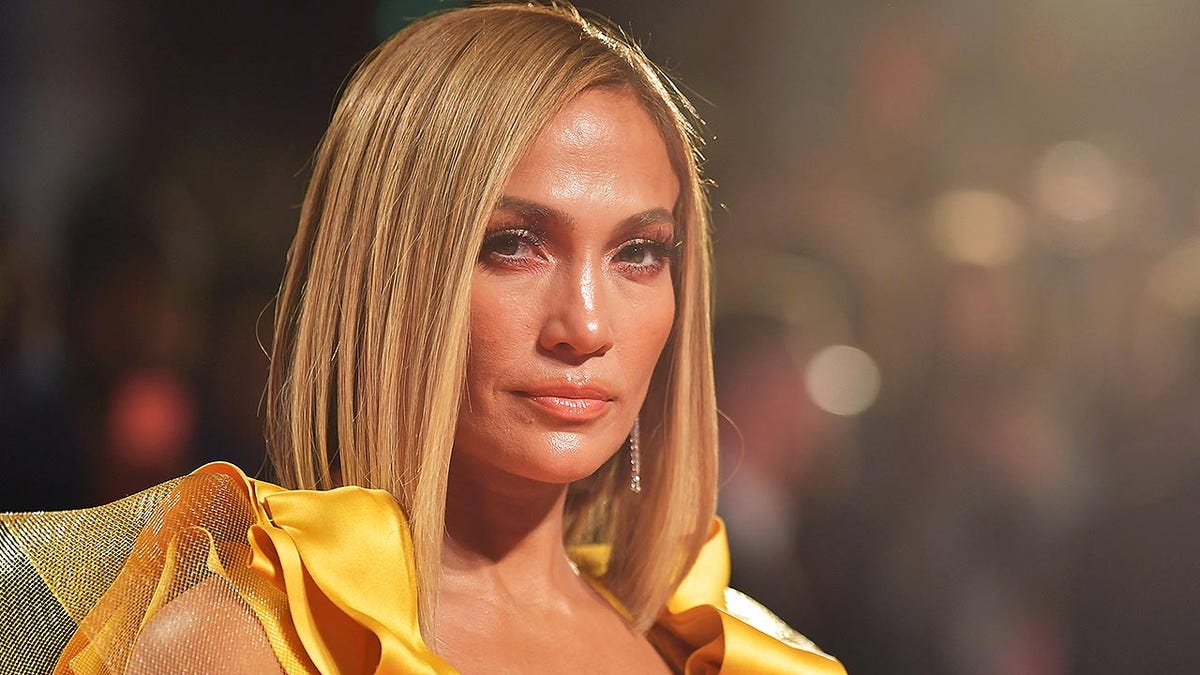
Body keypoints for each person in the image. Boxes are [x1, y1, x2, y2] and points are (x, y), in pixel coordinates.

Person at [1, 4, 846, 673]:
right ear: (392, 275)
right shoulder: (243, 648)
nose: (586, 326)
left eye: (638, 253)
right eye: (513, 244)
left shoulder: (737, 655)